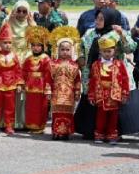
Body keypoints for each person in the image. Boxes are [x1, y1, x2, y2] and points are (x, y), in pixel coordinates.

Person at [76, 8, 136, 140]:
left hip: (115, 76)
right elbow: (81, 46)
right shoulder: (90, 32)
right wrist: (80, 57)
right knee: (94, 102)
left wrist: (122, 34)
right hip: (94, 74)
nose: (97, 21)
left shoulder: (117, 33)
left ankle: (113, 132)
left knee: (114, 107)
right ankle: (93, 131)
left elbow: (130, 48)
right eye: (97, 18)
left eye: (101, 19)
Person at [88, 36, 129, 144]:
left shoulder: (119, 65)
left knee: (113, 117)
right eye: (104, 51)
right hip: (101, 95)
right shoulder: (95, 65)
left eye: (109, 51)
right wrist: (91, 95)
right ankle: (99, 134)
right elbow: (92, 81)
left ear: (114, 51)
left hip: (114, 95)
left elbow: (125, 79)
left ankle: (112, 135)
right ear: (100, 51)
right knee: (100, 117)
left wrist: (124, 94)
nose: (107, 53)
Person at [5, 0, 35, 130]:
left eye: (24, 11)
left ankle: (23, 121)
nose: (21, 14)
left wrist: (32, 25)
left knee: (25, 92)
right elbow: (2, 38)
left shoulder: (31, 24)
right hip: (11, 58)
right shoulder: (8, 22)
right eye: (19, 11)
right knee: (10, 90)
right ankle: (9, 121)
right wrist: (8, 21)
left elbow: (36, 41)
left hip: (27, 57)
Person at [0, 24, 24, 135]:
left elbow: (18, 70)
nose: (7, 45)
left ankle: (9, 126)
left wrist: (19, 84)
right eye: (5, 43)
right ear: (0, 43)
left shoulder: (14, 56)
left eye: (9, 43)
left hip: (11, 84)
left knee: (10, 107)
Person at [49, 26, 82, 140]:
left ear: (71, 51)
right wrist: (48, 91)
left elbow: (77, 80)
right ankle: (56, 132)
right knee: (57, 113)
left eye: (67, 50)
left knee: (67, 113)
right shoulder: (53, 64)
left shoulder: (74, 66)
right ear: (58, 50)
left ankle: (66, 132)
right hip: (57, 93)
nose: (65, 52)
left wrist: (77, 92)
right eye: (62, 49)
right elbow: (49, 79)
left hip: (69, 94)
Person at [22, 26, 52, 133]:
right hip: (30, 87)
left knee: (41, 108)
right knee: (30, 107)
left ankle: (40, 126)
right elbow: (24, 72)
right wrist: (22, 84)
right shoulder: (28, 59)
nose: (35, 48)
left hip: (41, 87)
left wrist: (48, 89)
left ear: (43, 46)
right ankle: (31, 125)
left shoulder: (46, 59)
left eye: (38, 45)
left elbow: (48, 74)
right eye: (33, 45)